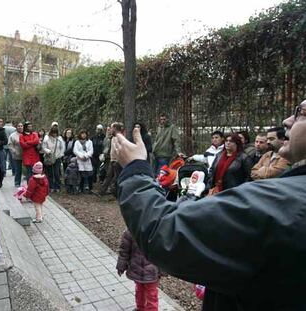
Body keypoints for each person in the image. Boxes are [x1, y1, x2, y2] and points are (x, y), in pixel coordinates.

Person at [113, 99, 306, 310]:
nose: (288, 120)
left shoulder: (278, 203)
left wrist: (135, 168)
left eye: (301, 113)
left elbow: (164, 232)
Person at [116, 230, 160, 311]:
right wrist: (121, 265)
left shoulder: (157, 231)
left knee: (151, 295)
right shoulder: (131, 231)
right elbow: (124, 251)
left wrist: (163, 270)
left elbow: (163, 253)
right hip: (139, 271)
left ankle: (145, 309)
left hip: (151, 273)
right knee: (140, 292)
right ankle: (140, 308)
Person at [42, 127, 64, 192]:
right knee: (50, 173)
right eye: (53, 133)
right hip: (49, 157)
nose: (54, 134)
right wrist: (48, 151)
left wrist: (60, 155)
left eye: (55, 133)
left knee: (56, 173)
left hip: (57, 158)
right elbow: (44, 147)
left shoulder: (60, 139)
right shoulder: (47, 138)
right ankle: (51, 186)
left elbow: (62, 147)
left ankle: (57, 186)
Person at [8, 122, 24, 187]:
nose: (20, 127)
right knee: (18, 169)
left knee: (29, 170)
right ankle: (17, 182)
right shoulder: (12, 135)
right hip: (17, 155)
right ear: (16, 127)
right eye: (18, 126)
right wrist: (14, 151)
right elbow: (10, 145)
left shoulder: (26, 134)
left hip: (26, 155)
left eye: (21, 126)